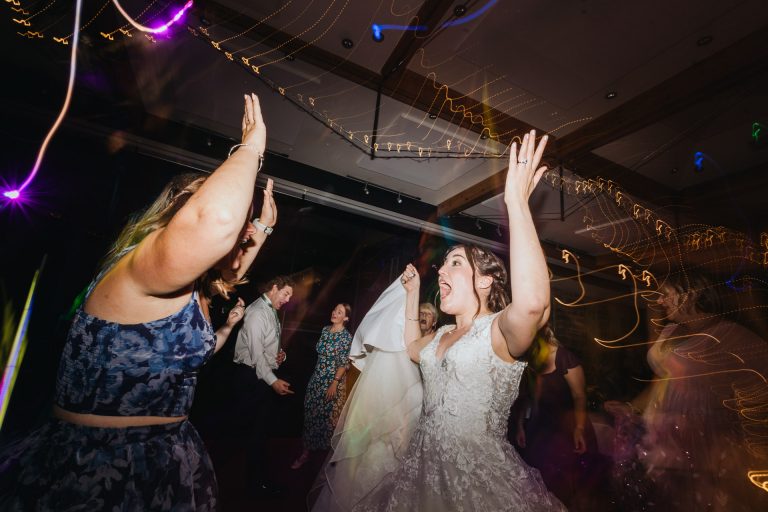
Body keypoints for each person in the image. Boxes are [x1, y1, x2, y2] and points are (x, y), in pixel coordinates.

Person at [0, 93, 274, 510]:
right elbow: (215, 222)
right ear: (175, 214)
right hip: (96, 464)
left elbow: (222, 289)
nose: (241, 231)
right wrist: (251, 147)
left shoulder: (196, 289)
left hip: (164, 456)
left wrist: (260, 230)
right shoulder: (141, 267)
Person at [316, 130, 566, 511]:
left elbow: (532, 304)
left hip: (477, 484)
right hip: (419, 473)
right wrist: (414, 293)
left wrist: (516, 203)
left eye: (455, 263)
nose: (442, 270)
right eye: (443, 262)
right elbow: (414, 349)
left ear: (483, 280)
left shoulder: (497, 332)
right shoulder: (444, 334)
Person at [606, 272, 768, 511]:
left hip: (702, 441)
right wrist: (632, 408)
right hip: (660, 437)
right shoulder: (670, 331)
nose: (660, 301)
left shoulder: (728, 335)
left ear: (690, 294)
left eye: (665, 294)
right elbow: (661, 382)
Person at [512, 325, 604, 510]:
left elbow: (579, 396)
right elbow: (526, 397)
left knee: (570, 487)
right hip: (539, 429)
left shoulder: (565, 358)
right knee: (539, 485)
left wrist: (578, 429)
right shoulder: (529, 362)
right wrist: (521, 425)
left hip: (567, 428)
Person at [231, 274, 294, 495]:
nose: (287, 300)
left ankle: (255, 478)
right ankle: (254, 485)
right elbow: (257, 357)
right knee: (256, 433)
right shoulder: (258, 312)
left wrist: (280, 356)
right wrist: (274, 381)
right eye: (286, 294)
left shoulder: (270, 310)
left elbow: (268, 347)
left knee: (260, 431)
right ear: (274, 288)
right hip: (251, 377)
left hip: (260, 375)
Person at [291, 303, 353, 469]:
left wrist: (334, 383)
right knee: (311, 416)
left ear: (345, 318)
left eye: (339, 312)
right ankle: (306, 454)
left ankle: (330, 461)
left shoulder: (346, 337)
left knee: (328, 421)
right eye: (334, 310)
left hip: (332, 382)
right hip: (317, 379)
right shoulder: (325, 330)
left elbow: (343, 362)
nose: (334, 313)